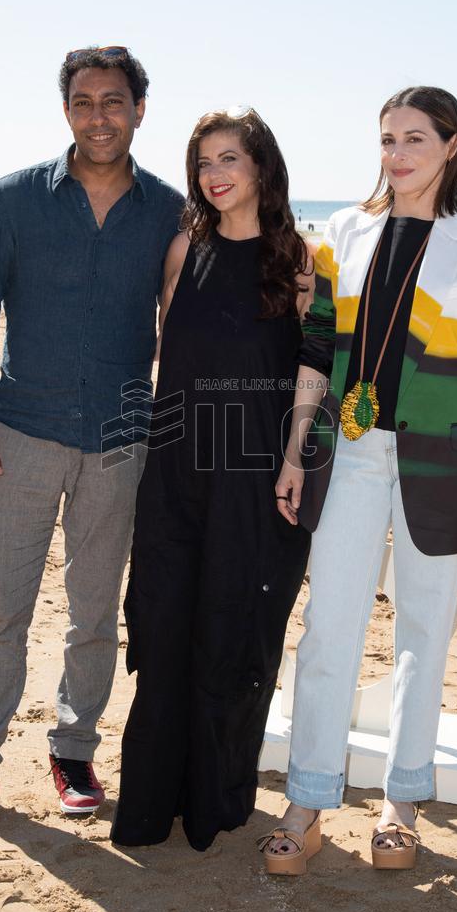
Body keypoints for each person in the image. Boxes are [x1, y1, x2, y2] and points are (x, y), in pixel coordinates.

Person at [0, 46, 184, 833]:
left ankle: (73, 750)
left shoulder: (168, 209)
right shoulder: (16, 199)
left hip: (122, 443)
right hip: (20, 433)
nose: (101, 115)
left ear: (139, 110)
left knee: (95, 615)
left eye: (115, 101)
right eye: (86, 102)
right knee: (1, 613)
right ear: (67, 110)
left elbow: (187, 325)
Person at [259, 86, 457, 874]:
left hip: (446, 461)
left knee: (423, 633)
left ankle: (402, 802)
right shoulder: (344, 230)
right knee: (327, 630)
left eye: (415, 138)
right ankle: (308, 799)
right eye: (386, 139)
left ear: (452, 145)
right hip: (349, 452)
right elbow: (316, 345)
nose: (398, 154)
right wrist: (292, 448)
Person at [110, 108, 313, 852]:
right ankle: (149, 801)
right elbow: (168, 360)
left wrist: (295, 459)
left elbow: (309, 378)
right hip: (175, 472)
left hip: (254, 479)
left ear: (261, 164)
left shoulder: (296, 261)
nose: (215, 174)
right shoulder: (179, 251)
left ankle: (216, 801)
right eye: (203, 162)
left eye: (229, 157)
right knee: (163, 627)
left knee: (231, 635)